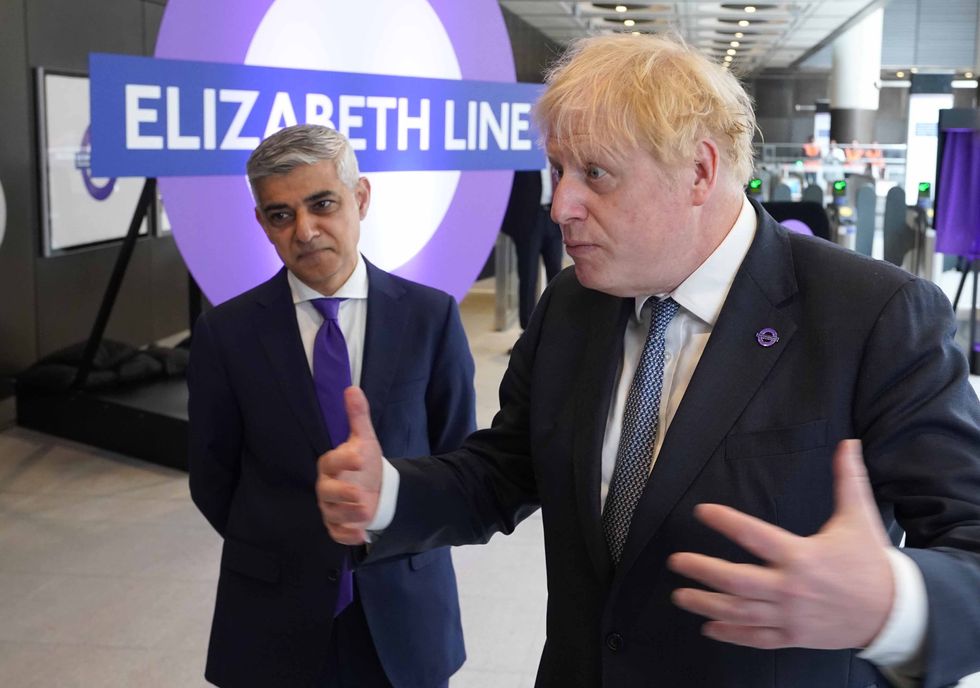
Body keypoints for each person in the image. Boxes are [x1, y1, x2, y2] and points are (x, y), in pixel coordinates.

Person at [317, 35, 980, 688]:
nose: (560, 206)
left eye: (595, 174)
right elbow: (506, 469)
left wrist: (894, 604)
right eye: (557, 171)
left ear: (699, 171)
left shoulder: (873, 315)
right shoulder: (574, 304)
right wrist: (391, 495)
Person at [187, 124, 476, 688]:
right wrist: (287, 547)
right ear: (262, 224)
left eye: (323, 204)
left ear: (360, 198)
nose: (305, 230)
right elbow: (212, 479)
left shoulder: (430, 318)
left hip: (404, 610)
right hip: (273, 613)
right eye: (281, 215)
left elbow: (458, 463)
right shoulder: (226, 334)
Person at [501, 169, 565, 331]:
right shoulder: (525, 157)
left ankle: (557, 329)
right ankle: (527, 333)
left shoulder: (556, 159)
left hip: (553, 219)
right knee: (528, 277)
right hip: (529, 222)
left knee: (558, 277)